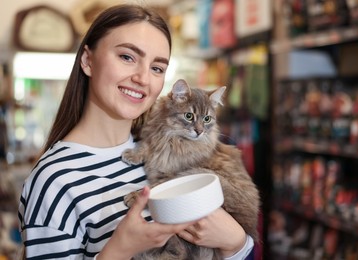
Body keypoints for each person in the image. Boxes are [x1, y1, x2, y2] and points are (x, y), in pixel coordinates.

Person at [18, 4, 255, 260]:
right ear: (88, 61)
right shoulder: (53, 180)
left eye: (157, 68)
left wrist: (236, 243)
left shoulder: (166, 151)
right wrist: (118, 249)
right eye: (127, 57)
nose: (143, 78)